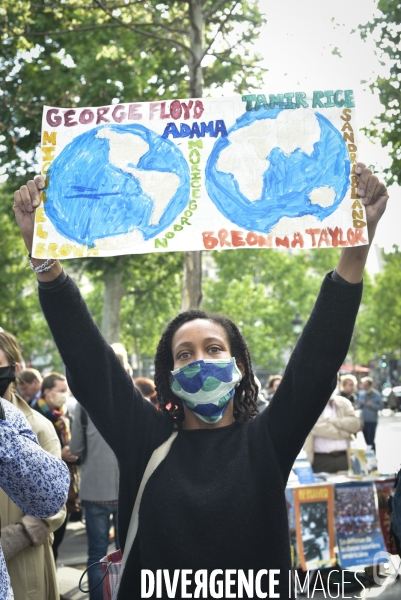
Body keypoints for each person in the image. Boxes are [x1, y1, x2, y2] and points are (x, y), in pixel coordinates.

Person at [13, 163, 388, 598]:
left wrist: (359, 241)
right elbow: (90, 361)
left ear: (239, 366)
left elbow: (318, 359)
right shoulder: (144, 439)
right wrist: (40, 253)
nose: (200, 361)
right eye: (184, 354)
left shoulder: (267, 439)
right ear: (170, 376)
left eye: (213, 349)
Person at [0, 330, 68, 600]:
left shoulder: (36, 425)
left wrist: (16, 536)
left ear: (14, 368)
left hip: (22, 559)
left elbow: (55, 503)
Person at [69, 402, 119, 600]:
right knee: (124, 554)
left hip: (95, 489)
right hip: (125, 489)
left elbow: (76, 447)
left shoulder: (84, 406)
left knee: (97, 553)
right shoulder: (132, 403)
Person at [33, 372, 81, 560]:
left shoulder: (64, 415)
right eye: (61, 391)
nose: (65, 395)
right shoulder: (34, 414)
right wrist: (58, 454)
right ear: (47, 392)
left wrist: (73, 453)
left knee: (57, 541)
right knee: (48, 542)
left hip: (66, 485)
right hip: (45, 488)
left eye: (66, 391)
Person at [303, 395, 361, 473]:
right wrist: (345, 432)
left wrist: (332, 420)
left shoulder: (343, 402)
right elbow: (316, 427)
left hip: (346, 457)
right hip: (320, 460)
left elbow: (356, 424)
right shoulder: (310, 404)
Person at [358, 376, 383, 452]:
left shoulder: (376, 395)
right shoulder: (361, 394)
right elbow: (358, 406)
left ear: (370, 385)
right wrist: (361, 404)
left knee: (370, 440)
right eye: (363, 385)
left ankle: (372, 457)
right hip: (363, 420)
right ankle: (370, 455)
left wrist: (372, 405)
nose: (364, 387)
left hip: (372, 420)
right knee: (366, 440)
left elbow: (381, 406)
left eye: (366, 385)